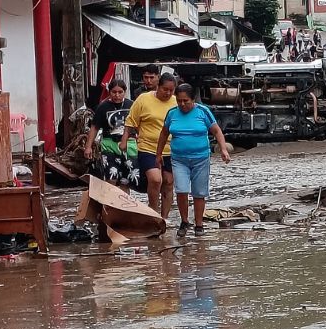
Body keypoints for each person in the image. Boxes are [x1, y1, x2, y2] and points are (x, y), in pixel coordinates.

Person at [155, 84, 232, 237]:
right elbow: (163, 134)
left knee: (199, 192)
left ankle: (199, 224)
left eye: (186, 101)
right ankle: (184, 221)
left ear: (193, 100)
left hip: (201, 159)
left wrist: (223, 149)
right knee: (182, 190)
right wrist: (158, 155)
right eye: (179, 101)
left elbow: (216, 130)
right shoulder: (172, 113)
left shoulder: (203, 111)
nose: (182, 104)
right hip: (178, 159)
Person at [121, 73, 178, 218]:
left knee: (168, 182)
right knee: (155, 179)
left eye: (171, 90)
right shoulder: (144, 99)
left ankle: (164, 218)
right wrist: (124, 140)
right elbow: (130, 121)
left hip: (170, 149)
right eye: (165, 89)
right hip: (148, 147)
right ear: (158, 86)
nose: (168, 93)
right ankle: (153, 213)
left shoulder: (176, 102)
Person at [84, 79, 134, 186]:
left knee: (126, 180)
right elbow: (94, 127)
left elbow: (138, 125)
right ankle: (109, 201)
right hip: (109, 145)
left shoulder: (131, 105)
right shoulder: (103, 107)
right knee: (111, 176)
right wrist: (88, 146)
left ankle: (124, 201)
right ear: (109, 92)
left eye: (120, 92)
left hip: (128, 146)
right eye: (114, 92)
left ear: (124, 92)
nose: (117, 95)